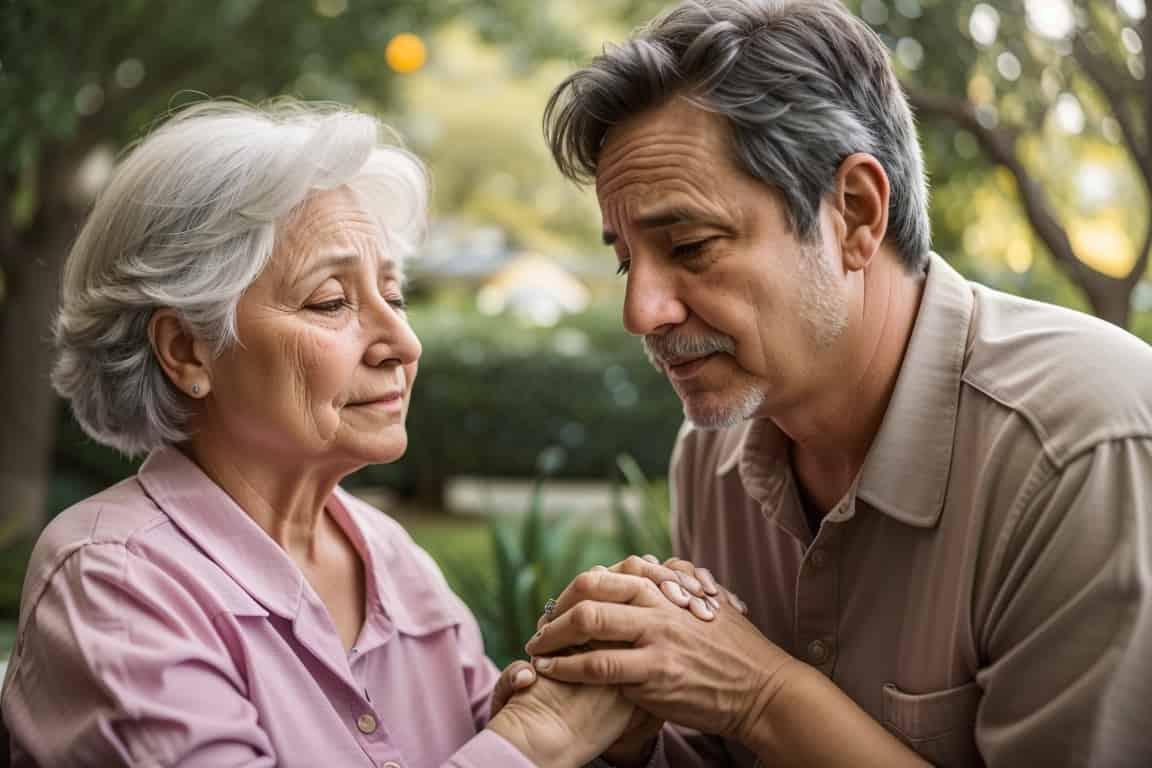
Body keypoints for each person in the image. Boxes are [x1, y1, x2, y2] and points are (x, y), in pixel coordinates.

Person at [0, 100, 722, 767]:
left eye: (395, 294)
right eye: (332, 301)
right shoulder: (118, 582)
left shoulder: (397, 564)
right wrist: (537, 739)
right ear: (188, 351)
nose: (402, 341)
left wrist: (607, 721)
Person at [526, 1, 1152, 766]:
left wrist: (759, 694)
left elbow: (746, 699)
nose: (640, 311)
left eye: (689, 246)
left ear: (855, 214)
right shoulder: (714, 457)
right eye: (627, 260)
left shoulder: (1082, 446)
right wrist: (614, 732)